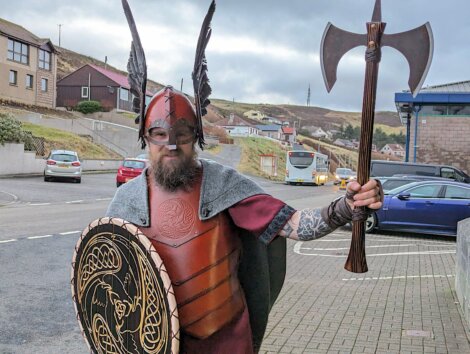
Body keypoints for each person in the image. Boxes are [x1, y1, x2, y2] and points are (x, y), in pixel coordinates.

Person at [106, 86, 383, 354]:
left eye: (182, 133)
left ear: (197, 136)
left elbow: (296, 224)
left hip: (225, 341)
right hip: (156, 343)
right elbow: (108, 285)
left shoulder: (223, 185)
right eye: (159, 134)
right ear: (146, 137)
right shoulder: (126, 202)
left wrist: (346, 207)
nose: (171, 145)